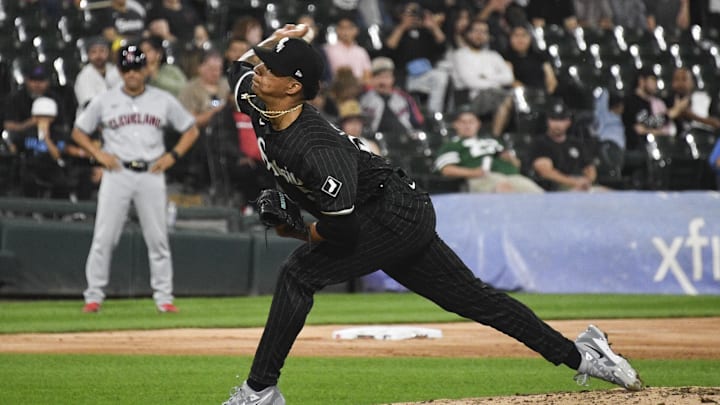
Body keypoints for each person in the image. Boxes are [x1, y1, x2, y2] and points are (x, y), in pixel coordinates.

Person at [221, 23, 642, 404]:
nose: (257, 69)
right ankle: (583, 356)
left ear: (293, 87)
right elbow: (232, 69)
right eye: (261, 65)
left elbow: (345, 233)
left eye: (269, 67)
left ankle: (259, 392)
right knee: (477, 300)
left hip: (395, 213)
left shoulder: (317, 149)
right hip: (379, 212)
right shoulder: (261, 101)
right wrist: (274, 40)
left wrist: (296, 231)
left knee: (299, 273)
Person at [71, 45, 199, 314]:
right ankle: (93, 296)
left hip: (152, 172)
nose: (132, 74)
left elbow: (191, 129)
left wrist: (173, 156)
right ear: (120, 71)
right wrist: (98, 153)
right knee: (104, 237)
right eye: (126, 69)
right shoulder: (104, 100)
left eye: (136, 68)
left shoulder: (162, 100)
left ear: (145, 70)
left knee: (158, 239)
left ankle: (164, 298)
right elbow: (79, 132)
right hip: (117, 172)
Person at [435, 106, 544, 193]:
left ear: (478, 124)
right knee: (504, 188)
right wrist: (474, 173)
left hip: (513, 176)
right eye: (463, 122)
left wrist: (511, 159)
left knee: (539, 194)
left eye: (471, 122)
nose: (467, 126)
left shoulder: (493, 141)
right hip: (483, 177)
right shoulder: (452, 145)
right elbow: (447, 170)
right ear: (455, 125)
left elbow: (517, 165)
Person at [449, 20, 514, 137]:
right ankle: (495, 137)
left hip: (496, 96)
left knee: (512, 98)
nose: (480, 35)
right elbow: (471, 82)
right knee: (506, 97)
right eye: (476, 31)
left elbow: (509, 78)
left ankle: (496, 136)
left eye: (484, 32)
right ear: (468, 34)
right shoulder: (460, 55)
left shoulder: (493, 55)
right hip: (470, 99)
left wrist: (486, 77)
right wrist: (496, 82)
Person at [384, 2, 449, 114]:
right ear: (401, 14)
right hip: (403, 77)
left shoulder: (425, 33)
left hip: (424, 76)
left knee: (442, 76)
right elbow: (388, 50)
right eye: (410, 12)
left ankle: (433, 114)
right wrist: (402, 27)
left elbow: (443, 46)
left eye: (416, 12)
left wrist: (433, 26)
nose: (413, 16)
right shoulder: (395, 31)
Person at [530, 100, 602, 191]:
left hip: (583, 185)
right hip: (557, 188)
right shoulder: (540, 143)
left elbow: (589, 168)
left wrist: (587, 181)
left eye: (561, 120)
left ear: (568, 122)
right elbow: (545, 172)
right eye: (554, 119)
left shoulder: (576, 143)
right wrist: (574, 182)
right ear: (547, 121)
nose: (557, 124)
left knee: (608, 194)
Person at [359, 57, 425, 137]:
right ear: (372, 79)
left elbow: (419, 122)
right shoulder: (364, 99)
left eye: (386, 77)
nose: (383, 82)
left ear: (392, 79)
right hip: (376, 142)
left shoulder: (404, 98)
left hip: (405, 140)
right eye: (379, 77)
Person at [74, 36, 122, 115]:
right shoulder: (84, 76)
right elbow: (89, 105)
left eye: (102, 51)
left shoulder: (116, 71)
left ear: (108, 52)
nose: (98, 55)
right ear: (88, 55)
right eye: (94, 52)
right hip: (90, 121)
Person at [323, 14, 372, 83]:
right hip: (336, 87)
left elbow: (367, 75)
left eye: (349, 28)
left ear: (356, 30)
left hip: (359, 89)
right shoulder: (328, 49)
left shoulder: (361, 51)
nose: (345, 31)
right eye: (342, 27)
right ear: (337, 30)